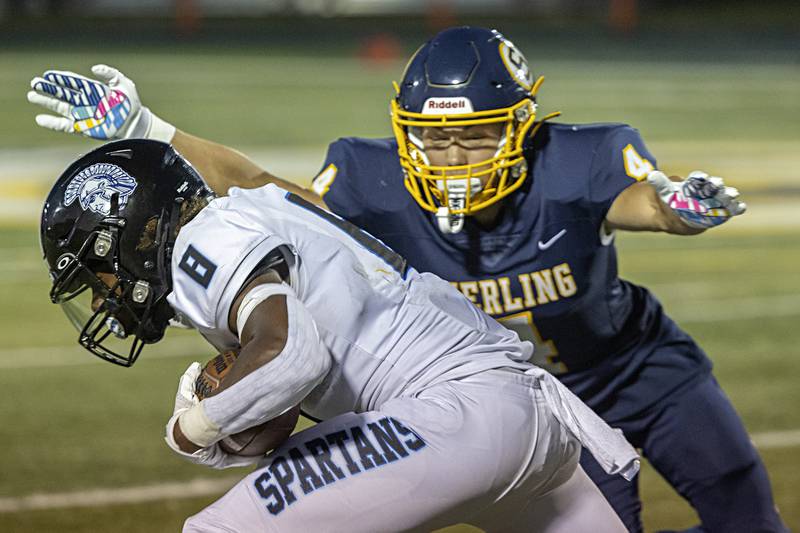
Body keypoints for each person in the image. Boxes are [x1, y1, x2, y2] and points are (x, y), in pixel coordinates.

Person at [28, 27, 787, 532]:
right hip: (520, 399)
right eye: (435, 138)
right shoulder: (361, 179)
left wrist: (679, 206)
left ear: (524, 126)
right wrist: (151, 127)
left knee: (742, 508)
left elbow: (642, 201)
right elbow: (260, 182)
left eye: (478, 136)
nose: (454, 156)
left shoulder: (575, 158)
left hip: (617, 369)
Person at [41, 138, 638, 532]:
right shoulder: (250, 213)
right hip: (525, 420)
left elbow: (290, 357)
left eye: (98, 272)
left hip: (459, 413)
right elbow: (288, 403)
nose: (103, 296)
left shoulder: (202, 242)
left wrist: (194, 427)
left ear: (133, 234)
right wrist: (238, 423)